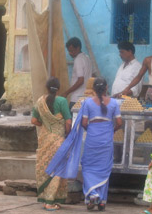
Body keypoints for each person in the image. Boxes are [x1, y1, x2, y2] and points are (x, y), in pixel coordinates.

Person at [81, 78, 122, 211]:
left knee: (87, 166)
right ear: (106, 88)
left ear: (93, 89)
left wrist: (92, 131)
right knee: (104, 169)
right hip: (106, 139)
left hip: (92, 138)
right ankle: (102, 201)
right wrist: (111, 130)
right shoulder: (114, 103)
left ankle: (92, 196)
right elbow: (119, 123)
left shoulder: (87, 103)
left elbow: (84, 123)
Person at [31, 77, 72, 211]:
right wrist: (67, 135)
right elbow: (68, 122)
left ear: (47, 88)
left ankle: (49, 198)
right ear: (58, 88)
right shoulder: (62, 101)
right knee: (57, 169)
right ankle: (49, 201)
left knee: (46, 168)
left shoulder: (39, 101)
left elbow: (34, 121)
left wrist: (44, 124)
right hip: (58, 140)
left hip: (44, 139)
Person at [62, 37, 92, 109]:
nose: (70, 53)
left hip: (77, 98)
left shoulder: (78, 60)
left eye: (72, 51)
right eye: (69, 51)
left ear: (78, 48)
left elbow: (80, 80)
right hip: (86, 97)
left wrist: (67, 92)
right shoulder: (86, 57)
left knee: (73, 119)